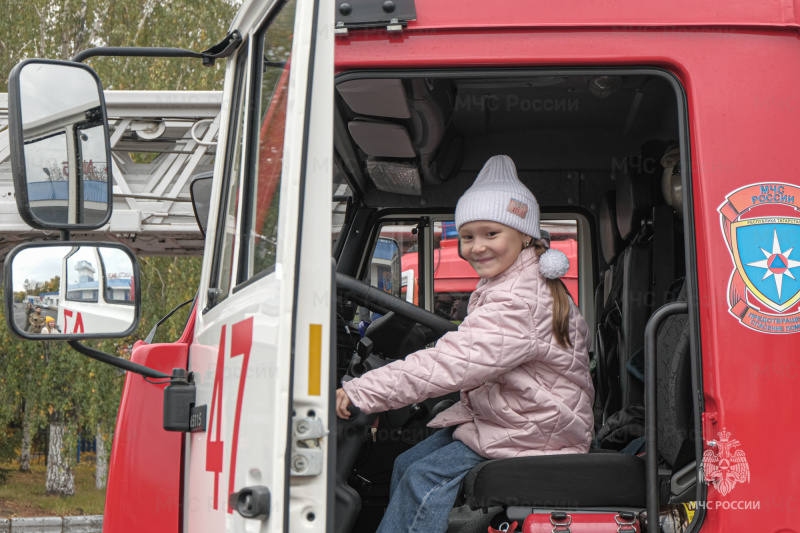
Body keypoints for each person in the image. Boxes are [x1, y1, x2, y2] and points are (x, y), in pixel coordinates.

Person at [336, 155, 594, 533]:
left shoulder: (518, 299)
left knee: (422, 478)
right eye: (468, 236)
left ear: (524, 235)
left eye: (491, 234)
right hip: (519, 420)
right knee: (407, 462)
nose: (476, 247)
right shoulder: (512, 284)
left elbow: (452, 363)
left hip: (535, 433)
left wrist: (365, 390)